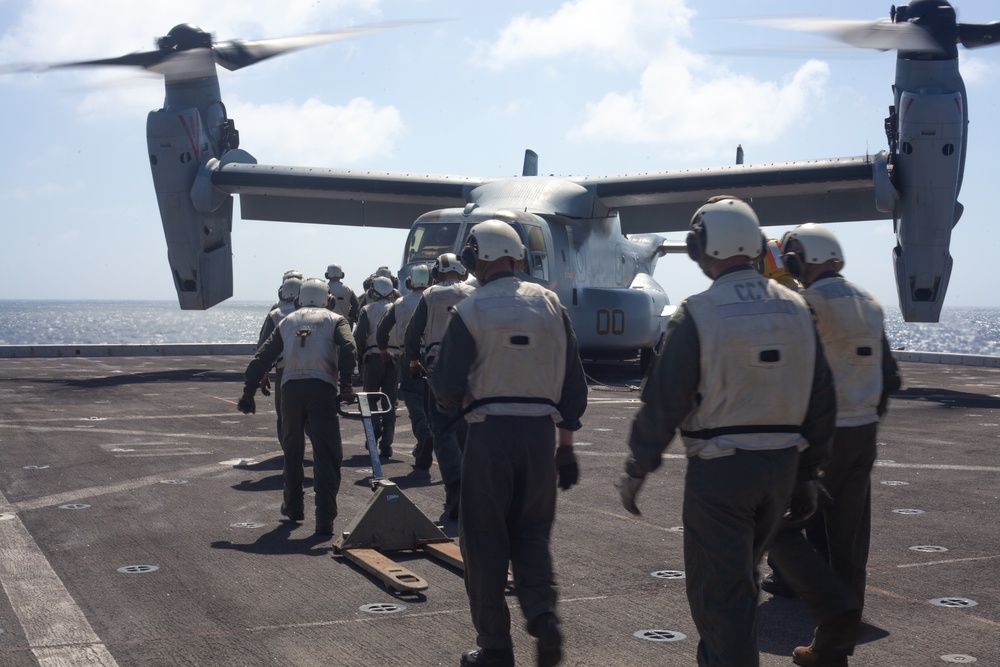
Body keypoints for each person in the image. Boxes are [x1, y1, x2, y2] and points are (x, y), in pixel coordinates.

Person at [615, 196, 836, 667]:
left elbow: (664, 400)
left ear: (702, 247)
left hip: (721, 476)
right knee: (742, 585)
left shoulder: (697, 313)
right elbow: (821, 398)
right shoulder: (798, 309)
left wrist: (639, 466)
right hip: (781, 472)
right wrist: (809, 472)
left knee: (722, 596)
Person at [428, 219, 587, 667]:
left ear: (476, 256)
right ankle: (543, 616)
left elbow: (445, 385)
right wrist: (566, 446)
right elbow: (575, 384)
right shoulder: (551, 305)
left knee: (484, 545)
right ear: (515, 256)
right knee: (532, 536)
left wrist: (443, 418)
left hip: (490, 436)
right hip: (540, 437)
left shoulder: (472, 310)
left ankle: (495, 647)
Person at [765, 222, 902, 667]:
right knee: (846, 546)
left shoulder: (806, 305)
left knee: (778, 527)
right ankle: (832, 651)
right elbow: (891, 377)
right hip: (864, 434)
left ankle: (833, 617)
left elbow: (787, 374)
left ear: (797, 260)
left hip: (822, 437)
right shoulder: (870, 303)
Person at [237, 278, 357, 536]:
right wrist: (346, 384)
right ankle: (324, 519)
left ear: (297, 299)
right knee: (327, 455)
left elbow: (263, 356)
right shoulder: (336, 320)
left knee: (292, 452)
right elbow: (349, 346)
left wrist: (249, 391)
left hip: (290, 390)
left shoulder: (286, 321)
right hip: (322, 389)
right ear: (329, 299)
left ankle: (293, 508)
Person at [403, 252, 475, 520]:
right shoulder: (473, 293)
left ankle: (454, 490)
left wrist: (412, 361)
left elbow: (413, 334)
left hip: (439, 367)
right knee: (467, 430)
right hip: (472, 368)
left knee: (443, 430)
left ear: (438, 272)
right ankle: (471, 492)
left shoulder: (430, 295)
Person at [376, 264, 434, 475]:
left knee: (412, 398)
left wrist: (384, 353)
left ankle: (424, 434)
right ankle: (426, 443)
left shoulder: (399, 303)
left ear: (409, 282)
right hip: (435, 356)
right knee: (433, 401)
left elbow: (382, 331)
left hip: (408, 357)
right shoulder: (434, 299)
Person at [353, 275, 399, 458]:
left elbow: (359, 336)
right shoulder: (398, 308)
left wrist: (360, 355)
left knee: (369, 399)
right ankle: (387, 444)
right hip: (395, 358)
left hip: (373, 357)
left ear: (373, 291)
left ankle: (375, 427)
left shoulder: (366, 309)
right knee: (390, 402)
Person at [255, 275, 302, 447]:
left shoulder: (275, 315)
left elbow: (264, 348)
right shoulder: (318, 315)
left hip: (285, 368)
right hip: (315, 366)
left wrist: (264, 375)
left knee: (284, 413)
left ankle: (290, 452)